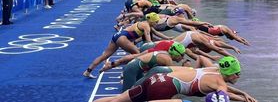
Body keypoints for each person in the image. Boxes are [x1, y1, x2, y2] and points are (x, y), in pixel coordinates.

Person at [93, 56, 258, 102]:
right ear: (230, 73)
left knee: (118, 99)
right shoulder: (220, 84)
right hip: (164, 89)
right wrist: (242, 99)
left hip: (157, 78)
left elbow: (225, 90)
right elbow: (223, 96)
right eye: (238, 73)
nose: (239, 76)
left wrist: (243, 95)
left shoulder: (214, 69)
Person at [83, 12, 167, 79]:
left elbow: (156, 33)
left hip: (117, 36)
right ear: (151, 21)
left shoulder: (144, 23)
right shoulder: (146, 26)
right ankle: (124, 73)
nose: (157, 23)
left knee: (104, 56)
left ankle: (88, 71)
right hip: (122, 38)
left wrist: (168, 38)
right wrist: (159, 46)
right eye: (156, 21)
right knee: (138, 55)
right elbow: (149, 41)